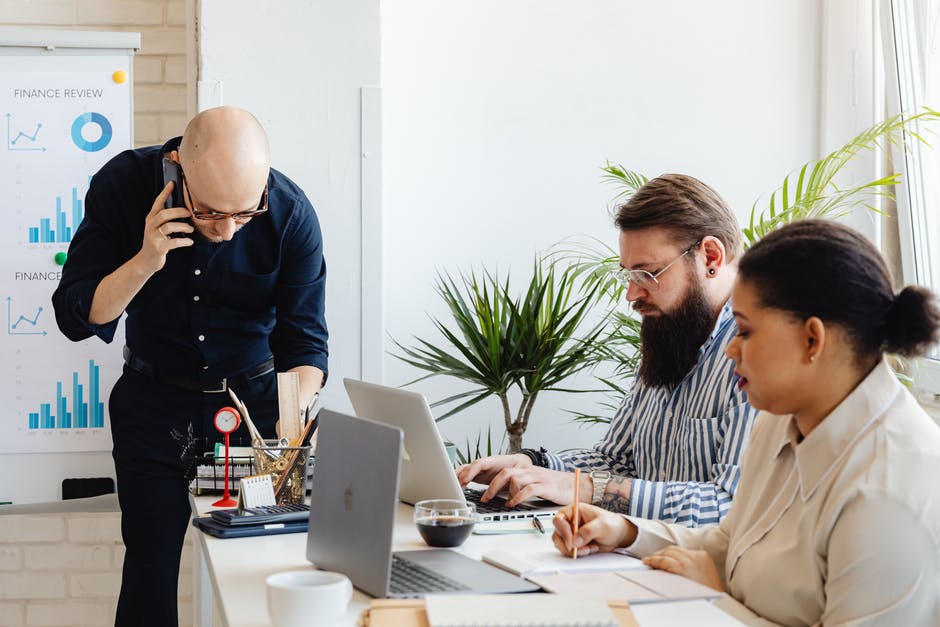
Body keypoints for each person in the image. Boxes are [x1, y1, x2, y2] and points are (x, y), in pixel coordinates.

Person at [552, 219, 940, 625]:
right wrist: (627, 532)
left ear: (812, 340)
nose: (730, 350)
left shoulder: (887, 491)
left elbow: (720, 577)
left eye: (745, 331)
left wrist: (716, 597)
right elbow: (729, 543)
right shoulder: (781, 420)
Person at [52, 106, 328, 627]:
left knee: (263, 566)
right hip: (153, 406)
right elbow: (76, 316)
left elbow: (307, 344)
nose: (226, 231)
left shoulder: (290, 211)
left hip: (257, 413)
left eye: (244, 213)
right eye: (209, 212)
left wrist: (291, 423)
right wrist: (144, 259)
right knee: (150, 569)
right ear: (178, 168)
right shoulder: (122, 185)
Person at [458, 173, 758, 526]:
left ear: (710, 255)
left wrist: (585, 489)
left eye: (647, 274)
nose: (631, 294)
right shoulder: (670, 336)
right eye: (629, 276)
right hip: (636, 554)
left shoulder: (759, 355)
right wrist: (533, 466)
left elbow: (729, 505)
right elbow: (616, 462)